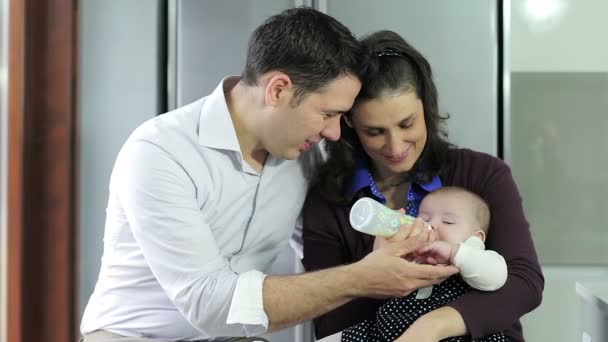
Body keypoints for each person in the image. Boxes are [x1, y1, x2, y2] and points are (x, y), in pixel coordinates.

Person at [80, 8, 458, 342]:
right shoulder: (161, 152)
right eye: (327, 114)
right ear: (278, 89)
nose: (334, 133)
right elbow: (208, 302)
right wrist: (361, 277)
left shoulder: (303, 155)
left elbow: (321, 252)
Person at [301, 30, 544, 342]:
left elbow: (524, 283)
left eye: (406, 124)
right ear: (349, 124)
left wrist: (432, 327)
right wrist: (369, 276)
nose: (395, 145)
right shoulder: (330, 201)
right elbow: (330, 324)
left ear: (425, 107)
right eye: (374, 131)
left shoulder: (481, 175)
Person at [341, 186, 509, 341]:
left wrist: (455, 253)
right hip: (390, 330)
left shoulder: (475, 256)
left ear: (477, 238)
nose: (431, 225)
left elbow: (496, 277)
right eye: (424, 219)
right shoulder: (416, 256)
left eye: (448, 222)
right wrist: (383, 255)